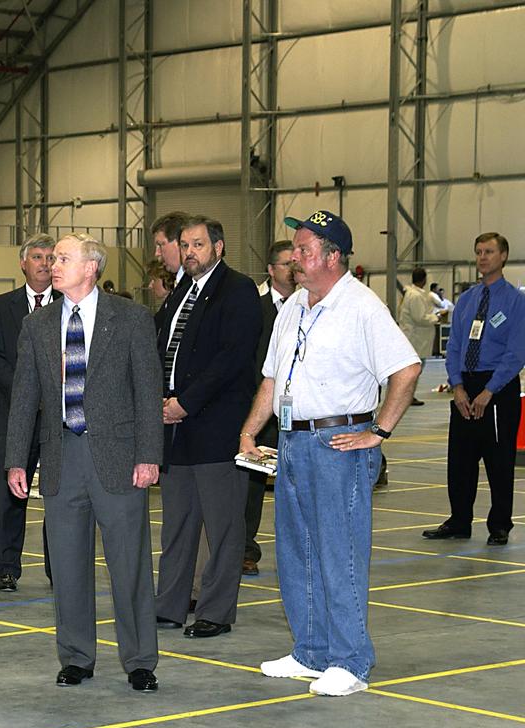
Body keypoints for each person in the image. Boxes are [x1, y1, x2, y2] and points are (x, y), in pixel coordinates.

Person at [240, 209, 419, 696]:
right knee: (296, 551)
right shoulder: (295, 306)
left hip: (338, 443)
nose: (293, 258)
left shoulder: (362, 307)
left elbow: (406, 368)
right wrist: (250, 431)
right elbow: (272, 377)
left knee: (339, 554)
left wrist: (378, 433)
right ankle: (311, 651)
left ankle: (351, 660)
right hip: (293, 441)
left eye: (304, 250)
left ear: (333, 257)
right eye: (295, 249)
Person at [6, 233, 162, 693]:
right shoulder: (38, 325)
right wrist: (17, 460)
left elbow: (147, 393)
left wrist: (149, 455)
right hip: (61, 456)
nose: (53, 265)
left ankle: (139, 661)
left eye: (64, 259)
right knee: (69, 565)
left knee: (129, 565)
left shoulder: (131, 319)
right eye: (52, 259)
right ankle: (75, 657)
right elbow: (24, 400)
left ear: (91, 267)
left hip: (118, 458)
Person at [153, 217, 261, 638]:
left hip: (216, 426)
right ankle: (170, 606)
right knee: (177, 523)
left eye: (198, 244)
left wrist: (186, 403)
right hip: (176, 428)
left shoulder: (237, 291)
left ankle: (215, 611)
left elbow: (232, 360)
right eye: (185, 244)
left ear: (219, 247)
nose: (190, 251)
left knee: (223, 527)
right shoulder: (182, 290)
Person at [423, 232, 525, 547]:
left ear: (503, 256)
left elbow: (517, 352)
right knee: (461, 460)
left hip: (498, 387)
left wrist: (489, 391)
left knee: (498, 460)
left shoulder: (516, 301)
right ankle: (459, 521)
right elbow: (454, 346)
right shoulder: (467, 300)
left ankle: (499, 525)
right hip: (465, 387)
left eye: (490, 252)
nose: (483, 257)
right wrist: (457, 386)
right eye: (479, 251)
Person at [0, 232, 59, 592]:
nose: (45, 263)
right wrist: (30, 395)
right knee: (10, 494)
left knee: (59, 494)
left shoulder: (70, 304)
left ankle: (58, 568)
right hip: (15, 415)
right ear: (23, 263)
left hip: (60, 418)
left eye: (51, 257)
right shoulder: (1, 307)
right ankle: (7, 568)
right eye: (39, 257)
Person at [242, 240, 296, 577]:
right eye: (287, 263)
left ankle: (299, 552)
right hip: (260, 409)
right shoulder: (255, 308)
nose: (293, 268)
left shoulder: (311, 306)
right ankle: (246, 549)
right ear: (271, 269)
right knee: (251, 486)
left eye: (297, 261)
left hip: (300, 412)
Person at [398, 267, 439, 406]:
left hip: (416, 339)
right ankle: (407, 397)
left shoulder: (413, 294)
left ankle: (408, 396)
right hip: (415, 339)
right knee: (414, 370)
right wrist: (436, 317)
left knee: (415, 369)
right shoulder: (415, 295)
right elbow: (420, 318)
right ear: (424, 279)